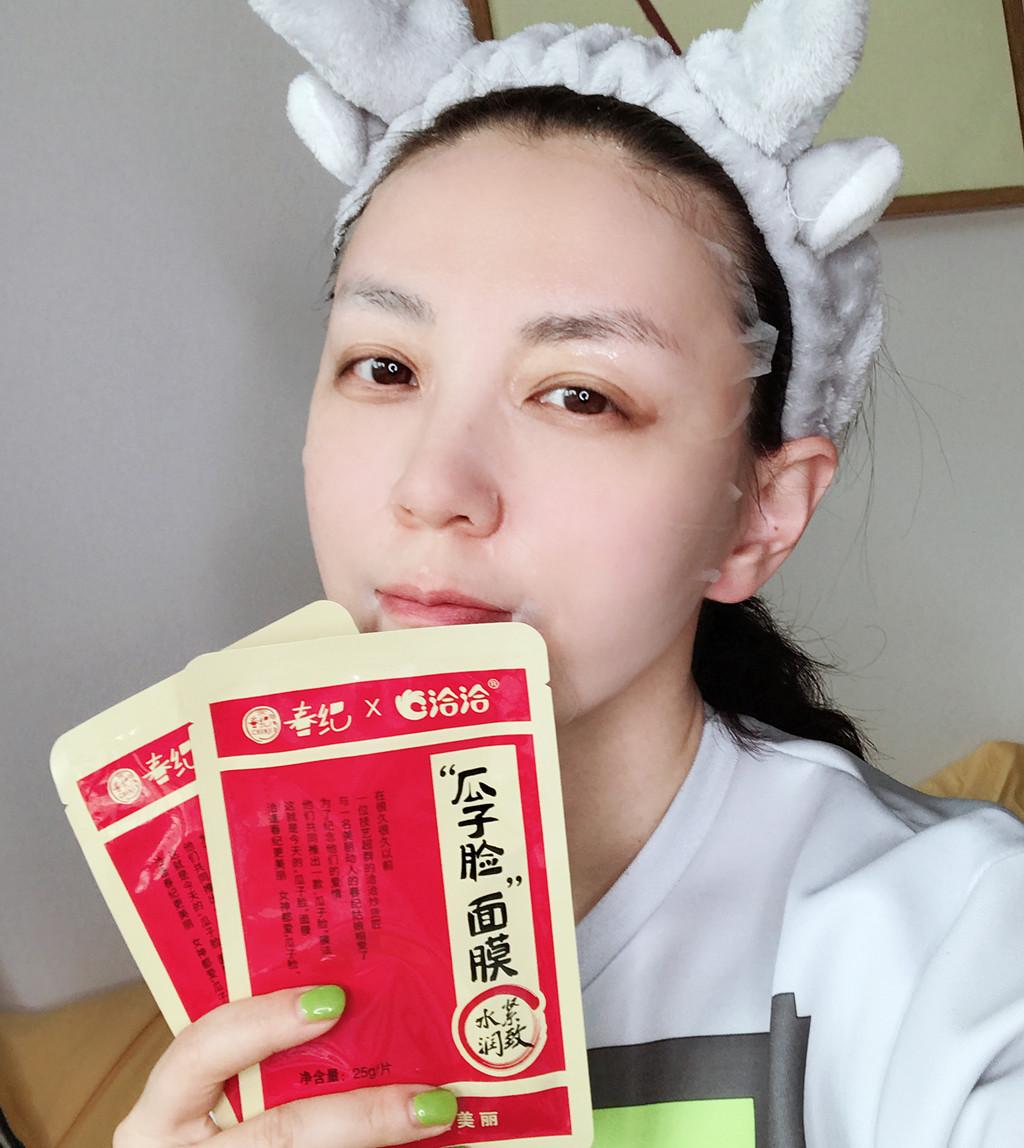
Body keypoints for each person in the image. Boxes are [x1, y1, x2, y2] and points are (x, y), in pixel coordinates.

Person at [114, 1, 1024, 1145]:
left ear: (760, 513)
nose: (433, 485)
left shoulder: (963, 949)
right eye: (384, 366)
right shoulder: (259, 939)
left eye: (579, 393)